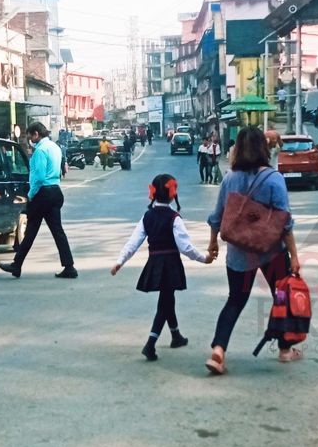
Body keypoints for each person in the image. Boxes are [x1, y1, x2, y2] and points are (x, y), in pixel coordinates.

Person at [204, 126, 302, 374]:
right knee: (281, 297)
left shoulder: (229, 178)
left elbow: (217, 216)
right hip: (271, 250)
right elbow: (285, 222)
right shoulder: (273, 179)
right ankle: (284, 349)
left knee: (235, 300)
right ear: (263, 148)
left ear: (238, 148)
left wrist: (213, 242)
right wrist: (294, 256)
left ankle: (218, 350)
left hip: (239, 251)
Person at [110, 174, 213, 360]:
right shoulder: (175, 218)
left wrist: (120, 260)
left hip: (155, 263)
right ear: (173, 194)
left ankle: (176, 336)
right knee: (165, 303)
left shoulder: (147, 216)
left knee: (167, 299)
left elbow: (133, 242)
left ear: (153, 193)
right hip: (170, 264)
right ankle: (150, 344)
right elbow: (185, 247)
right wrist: (203, 259)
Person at [0, 122, 77, 279]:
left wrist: (31, 195)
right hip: (55, 191)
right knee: (57, 231)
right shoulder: (55, 147)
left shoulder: (40, 151)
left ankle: (16, 265)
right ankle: (69, 266)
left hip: (42, 193)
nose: (29, 140)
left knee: (31, 231)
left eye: (30, 136)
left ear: (35, 134)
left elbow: (38, 177)